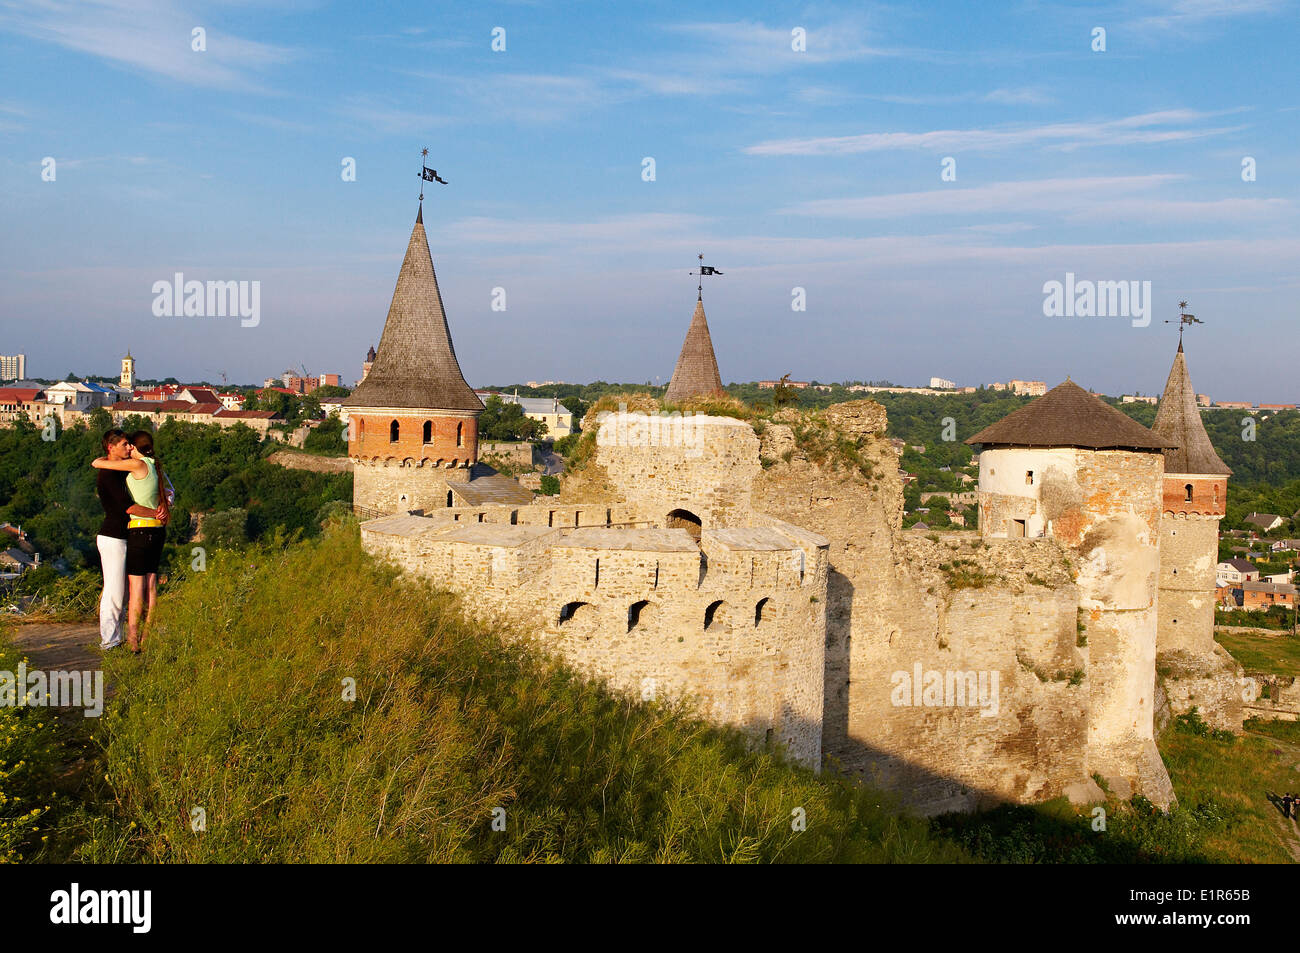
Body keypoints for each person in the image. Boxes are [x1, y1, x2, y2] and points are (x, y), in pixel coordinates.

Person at [91, 430, 169, 653]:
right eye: (124, 445)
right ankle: (110, 641)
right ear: (111, 447)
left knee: (124, 592)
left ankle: (119, 638)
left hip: (128, 535)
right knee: (115, 591)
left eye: (129, 444)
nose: (128, 448)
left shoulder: (122, 469)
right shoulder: (107, 473)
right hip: (113, 536)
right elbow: (130, 507)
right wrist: (156, 512)